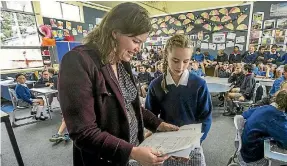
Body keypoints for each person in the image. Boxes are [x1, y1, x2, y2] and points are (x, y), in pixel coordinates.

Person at [58, 3, 179, 166]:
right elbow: (83, 131)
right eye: (135, 41)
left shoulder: (121, 61)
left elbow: (129, 105)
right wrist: (131, 152)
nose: (138, 49)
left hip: (132, 152)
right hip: (105, 158)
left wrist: (159, 124)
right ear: (115, 32)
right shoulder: (78, 61)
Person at [145, 34, 212, 165]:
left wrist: (193, 144)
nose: (180, 66)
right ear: (166, 56)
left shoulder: (199, 84)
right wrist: (151, 135)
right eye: (175, 60)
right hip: (164, 147)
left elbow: (206, 118)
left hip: (192, 146)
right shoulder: (156, 85)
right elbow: (149, 116)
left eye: (186, 61)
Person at [239, 89, 287, 165]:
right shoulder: (278, 116)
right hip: (254, 156)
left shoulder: (265, 107)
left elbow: (244, 115)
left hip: (246, 149)